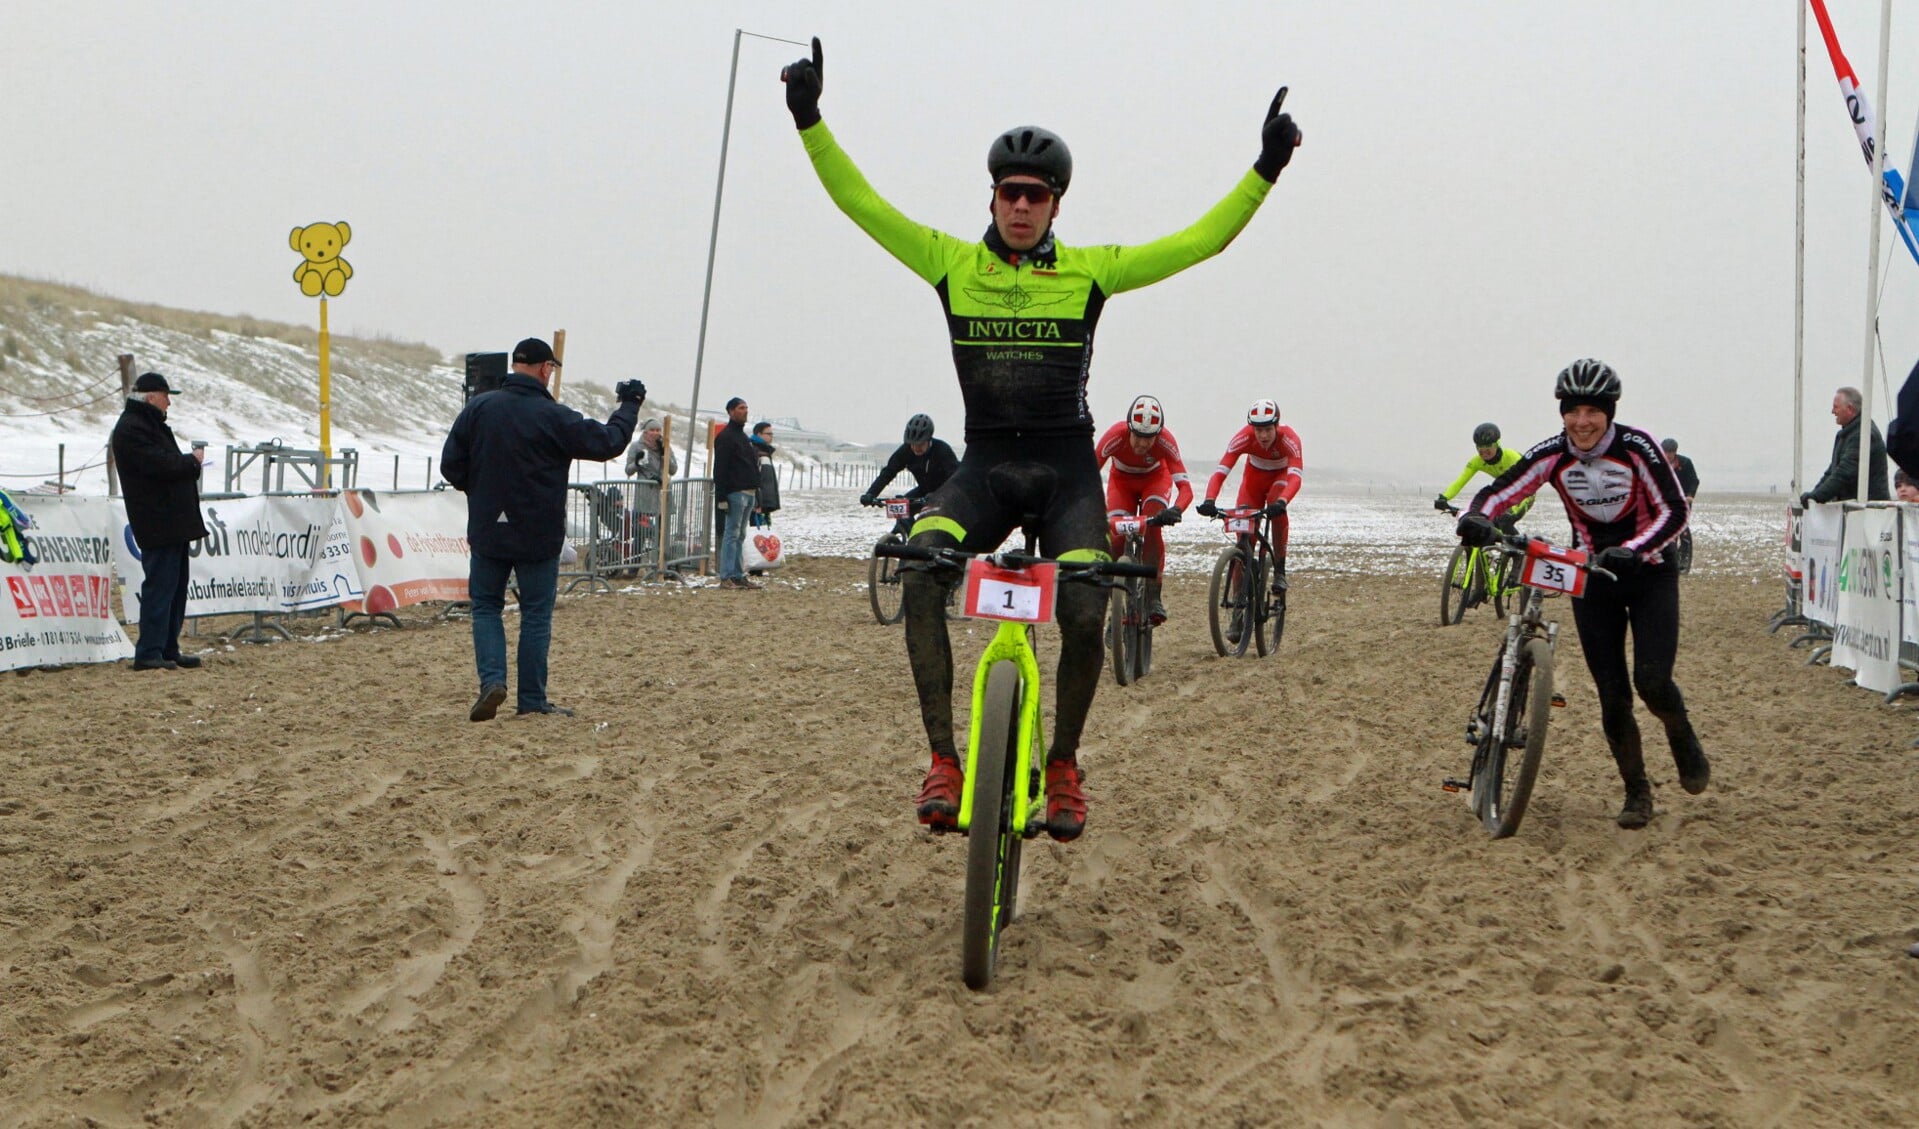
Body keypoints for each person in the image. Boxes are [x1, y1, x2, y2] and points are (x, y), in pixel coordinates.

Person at [781, 36, 1300, 840]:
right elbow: (862, 204)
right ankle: (944, 760)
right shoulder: (949, 263)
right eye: (1008, 192)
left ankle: (1062, 763)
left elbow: (1201, 242)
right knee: (921, 573)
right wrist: (809, 118)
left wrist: (1264, 170)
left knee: (1087, 604)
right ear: (990, 199)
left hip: (1066, 479)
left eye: (1036, 194)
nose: (1020, 205)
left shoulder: (1091, 272)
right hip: (984, 472)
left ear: (1057, 204)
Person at [1457, 359, 1707, 829]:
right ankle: (1637, 792)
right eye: (1573, 412)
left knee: (1652, 682)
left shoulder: (1637, 448)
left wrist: (1634, 549)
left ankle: (1681, 734)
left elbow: (1674, 510)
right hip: (1592, 576)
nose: (1582, 422)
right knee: (1612, 695)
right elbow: (1503, 490)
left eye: (1593, 411)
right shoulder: (1556, 453)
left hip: (1649, 572)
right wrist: (1475, 518)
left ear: (1609, 413)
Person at [441, 337, 643, 719]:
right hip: (538, 530)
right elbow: (608, 442)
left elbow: (451, 465)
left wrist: (482, 490)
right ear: (545, 369)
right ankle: (532, 700)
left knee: (485, 607)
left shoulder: (478, 408)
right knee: (535, 615)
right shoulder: (553, 415)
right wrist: (629, 405)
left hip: (489, 528)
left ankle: (492, 682)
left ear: (515, 365)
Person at [109, 371, 209, 671]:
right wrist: (191, 462)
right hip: (158, 519)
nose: (169, 403)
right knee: (160, 587)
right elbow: (160, 465)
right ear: (151, 397)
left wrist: (187, 464)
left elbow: (162, 463)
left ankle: (167, 647)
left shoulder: (146, 424)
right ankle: (149, 651)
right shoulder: (132, 428)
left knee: (175, 588)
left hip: (170, 520)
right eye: (166, 397)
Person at [1094, 395, 1191, 623]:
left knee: (1152, 527)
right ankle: (1116, 610)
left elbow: (1185, 488)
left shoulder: (1167, 441)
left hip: (1155, 480)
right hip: (1121, 483)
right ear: (1129, 429)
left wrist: (1176, 509)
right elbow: (1088, 473)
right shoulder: (1114, 436)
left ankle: (1153, 595)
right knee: (1115, 538)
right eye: (1137, 436)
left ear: (1158, 434)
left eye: (1149, 438)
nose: (1142, 444)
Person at [1195, 399, 1303, 590]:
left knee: (1275, 505)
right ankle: (1238, 600)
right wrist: (1209, 500)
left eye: (1268, 430)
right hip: (1253, 479)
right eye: (1258, 430)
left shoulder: (1290, 439)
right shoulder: (1243, 437)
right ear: (1251, 427)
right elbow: (1221, 471)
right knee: (1244, 533)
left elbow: (1295, 478)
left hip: (1280, 477)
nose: (1263, 435)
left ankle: (1280, 570)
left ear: (1277, 426)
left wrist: (1282, 501)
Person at [1433, 423, 1535, 535]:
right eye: (1480, 448)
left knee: (1504, 521)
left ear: (1496, 444)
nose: (1484, 452)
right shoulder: (1477, 462)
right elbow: (1460, 482)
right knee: (1482, 521)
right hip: (1505, 493)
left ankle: (1519, 550)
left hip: (1525, 493)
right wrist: (1444, 497)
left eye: (1488, 447)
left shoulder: (1511, 456)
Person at [1801, 386, 1890, 506]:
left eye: (1836, 407)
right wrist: (1813, 496)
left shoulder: (1864, 435)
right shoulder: (1846, 435)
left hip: (1869, 512)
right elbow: (1832, 472)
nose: (1832, 411)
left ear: (1850, 409)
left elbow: (1844, 473)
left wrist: (1817, 497)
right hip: (1851, 511)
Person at [861, 414, 959, 513]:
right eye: (913, 444)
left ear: (928, 440)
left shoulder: (942, 450)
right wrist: (871, 494)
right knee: (900, 510)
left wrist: (938, 496)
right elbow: (888, 473)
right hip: (923, 491)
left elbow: (955, 479)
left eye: (920, 444)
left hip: (947, 493)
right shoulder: (905, 451)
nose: (916, 448)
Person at [712, 396, 760, 589]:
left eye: (746, 408)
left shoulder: (743, 438)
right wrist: (722, 496)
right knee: (731, 534)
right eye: (741, 408)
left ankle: (738, 574)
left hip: (748, 492)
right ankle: (726, 576)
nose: (745, 411)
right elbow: (720, 468)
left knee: (740, 534)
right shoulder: (725, 437)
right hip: (735, 492)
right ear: (731, 411)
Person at [1660, 438, 1699, 574]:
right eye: (1665, 452)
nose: (1668, 455)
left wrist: (1690, 495)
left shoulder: (1685, 463)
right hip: (1665, 502)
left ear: (1675, 452)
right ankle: (1671, 561)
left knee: (1682, 530)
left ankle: (1684, 562)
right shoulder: (1656, 463)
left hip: (1682, 502)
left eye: (1671, 452)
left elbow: (1694, 480)